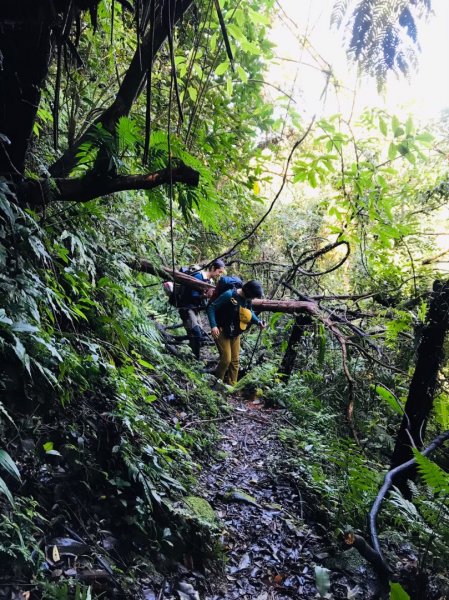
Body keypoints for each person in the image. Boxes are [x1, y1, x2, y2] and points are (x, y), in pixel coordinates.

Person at [207, 280, 266, 385]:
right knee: (226, 360)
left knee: (235, 361)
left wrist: (258, 322)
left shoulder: (247, 300)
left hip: (235, 332)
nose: (253, 299)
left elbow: (250, 311)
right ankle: (217, 384)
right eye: (253, 296)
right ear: (248, 292)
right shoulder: (229, 295)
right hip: (221, 330)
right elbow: (212, 307)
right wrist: (213, 326)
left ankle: (232, 386)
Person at [179, 259, 225, 359]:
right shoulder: (198, 276)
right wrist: (204, 296)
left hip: (195, 309)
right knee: (196, 333)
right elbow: (191, 295)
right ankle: (194, 359)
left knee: (197, 334)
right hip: (186, 308)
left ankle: (194, 358)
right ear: (213, 268)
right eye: (219, 272)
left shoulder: (209, 281)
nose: (219, 274)